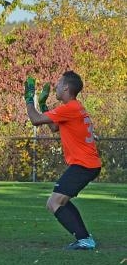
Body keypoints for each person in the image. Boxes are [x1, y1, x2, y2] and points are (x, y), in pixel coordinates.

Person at [24, 71, 102, 250]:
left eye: (59, 84)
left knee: (53, 203)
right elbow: (53, 128)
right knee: (60, 201)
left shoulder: (70, 108)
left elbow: (35, 120)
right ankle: (84, 238)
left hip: (84, 165)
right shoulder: (73, 107)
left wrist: (29, 98)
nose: (56, 87)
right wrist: (43, 104)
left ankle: (85, 240)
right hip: (86, 164)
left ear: (66, 87)